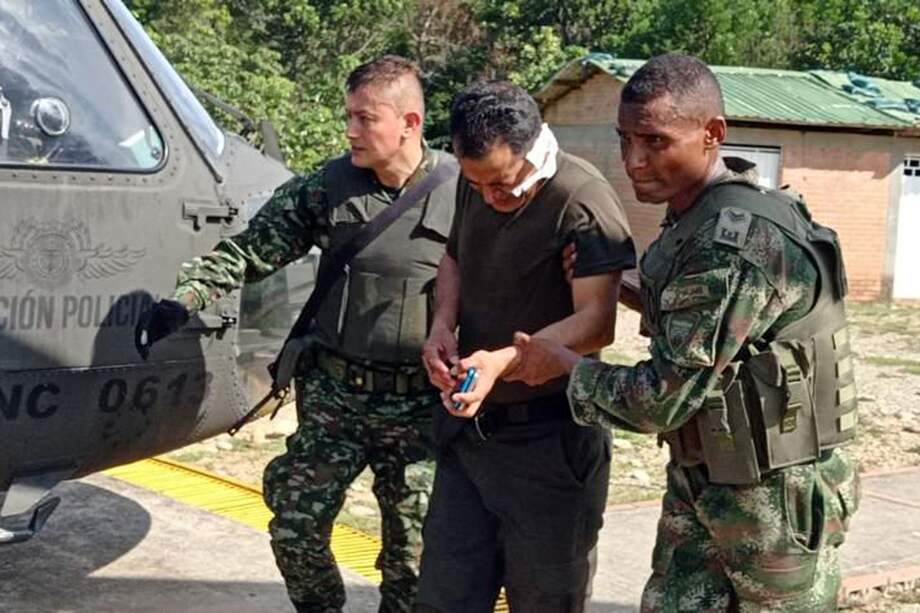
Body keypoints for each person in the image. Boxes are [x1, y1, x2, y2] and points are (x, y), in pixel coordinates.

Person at [514, 53, 861, 612]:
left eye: (655, 141)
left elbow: (662, 399)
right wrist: (624, 286)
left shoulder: (733, 242)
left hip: (774, 498)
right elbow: (710, 327)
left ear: (712, 134)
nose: (634, 160)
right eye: (625, 139)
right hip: (706, 477)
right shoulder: (699, 216)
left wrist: (565, 367)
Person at [135, 55, 457, 613]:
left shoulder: (462, 190)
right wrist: (186, 298)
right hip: (335, 399)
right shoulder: (329, 187)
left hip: (421, 407)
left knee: (413, 558)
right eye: (348, 116)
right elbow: (250, 250)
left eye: (365, 119)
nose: (350, 131)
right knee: (295, 526)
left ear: (410, 122)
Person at [416, 80, 637, 613]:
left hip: (549, 447)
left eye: (502, 183)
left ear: (532, 147)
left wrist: (503, 362)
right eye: (477, 184)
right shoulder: (475, 180)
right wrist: (442, 326)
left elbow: (597, 322)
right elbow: (454, 258)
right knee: (442, 599)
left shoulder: (582, 200)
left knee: (545, 601)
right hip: (471, 441)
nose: (490, 196)